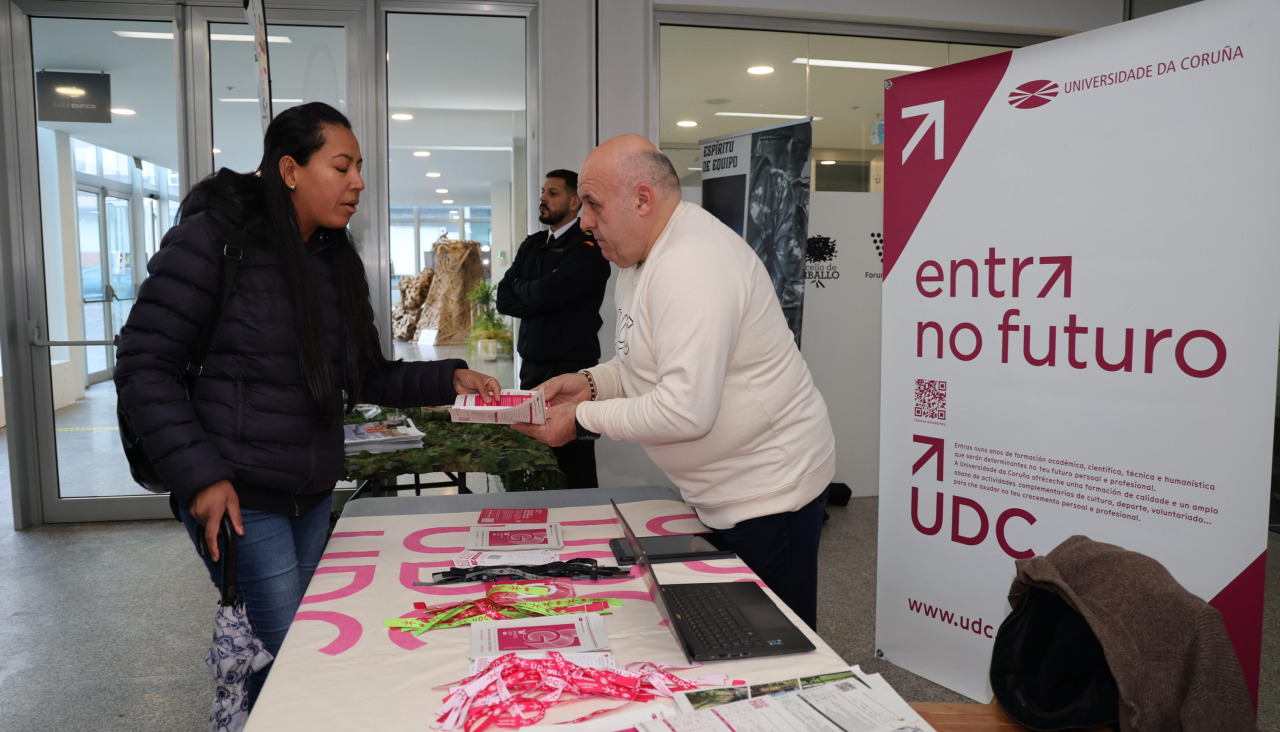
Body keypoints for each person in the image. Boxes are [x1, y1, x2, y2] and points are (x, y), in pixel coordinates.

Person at [114, 102, 499, 708]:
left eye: (360, 167)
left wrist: (450, 378)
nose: (358, 183)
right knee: (292, 658)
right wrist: (201, 476)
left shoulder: (331, 257)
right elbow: (143, 362)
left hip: (311, 492)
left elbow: (364, 374)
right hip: (241, 496)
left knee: (297, 653)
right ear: (290, 169)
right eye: (342, 166)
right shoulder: (215, 239)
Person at [515, 135, 835, 629]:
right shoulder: (638, 257)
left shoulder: (693, 264)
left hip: (772, 492)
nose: (586, 222)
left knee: (776, 648)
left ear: (642, 199)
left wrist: (580, 418)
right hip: (719, 491)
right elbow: (639, 364)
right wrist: (590, 384)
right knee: (730, 630)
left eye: (594, 206)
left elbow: (685, 409)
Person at [496, 170, 611, 488]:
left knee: (575, 462)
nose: (543, 198)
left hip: (574, 370)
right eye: (543, 192)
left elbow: (545, 295)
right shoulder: (534, 245)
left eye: (553, 193)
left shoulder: (589, 248)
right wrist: (538, 292)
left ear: (575, 202)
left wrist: (533, 291)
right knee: (535, 458)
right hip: (532, 370)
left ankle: (586, 526)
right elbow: (504, 300)